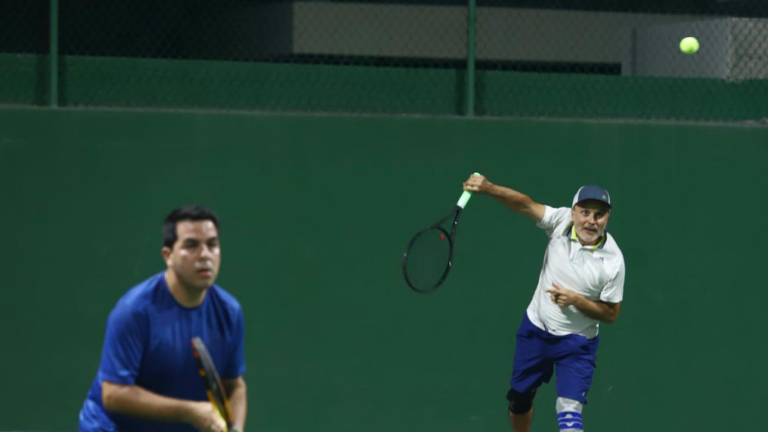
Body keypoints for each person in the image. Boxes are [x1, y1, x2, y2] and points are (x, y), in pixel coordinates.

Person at [463, 174, 624, 432]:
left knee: (569, 414)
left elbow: (611, 314)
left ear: (607, 217)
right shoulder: (560, 222)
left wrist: (576, 301)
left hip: (577, 343)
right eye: (585, 212)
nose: (591, 221)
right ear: (573, 212)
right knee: (519, 399)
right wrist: (488, 188)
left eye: (599, 215)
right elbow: (525, 204)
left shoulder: (613, 261)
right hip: (536, 330)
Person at [79, 205, 247, 432]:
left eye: (212, 244)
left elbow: (234, 386)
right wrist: (190, 411)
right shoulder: (134, 311)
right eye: (191, 245)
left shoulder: (229, 312)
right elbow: (113, 393)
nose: (205, 255)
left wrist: (235, 428)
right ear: (168, 255)